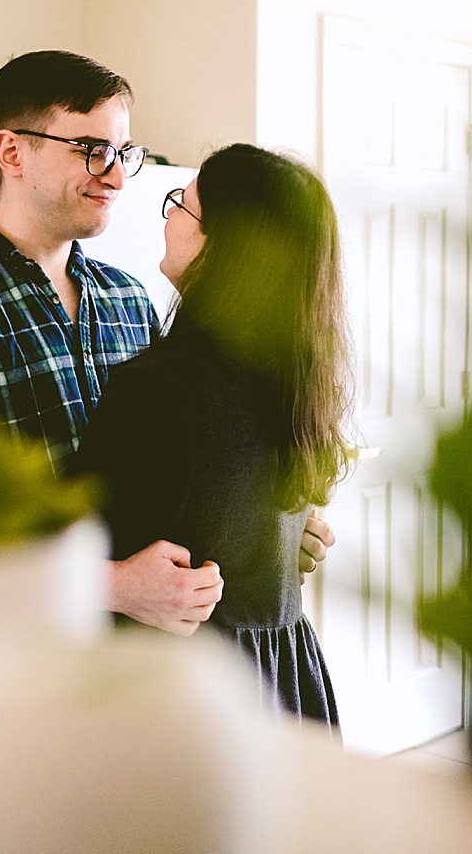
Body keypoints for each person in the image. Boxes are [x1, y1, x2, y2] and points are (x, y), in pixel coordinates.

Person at [0, 51, 333, 636]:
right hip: (21, 667)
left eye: (122, 153)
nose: (115, 175)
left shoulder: (130, 299)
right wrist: (113, 585)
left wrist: (268, 533)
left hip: (142, 671)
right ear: (12, 152)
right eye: (91, 150)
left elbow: (175, 483)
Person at [71, 144, 353, 729]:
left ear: (223, 249)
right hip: (284, 676)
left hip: (189, 692)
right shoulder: (296, 380)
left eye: (183, 205)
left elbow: (63, 559)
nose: (169, 215)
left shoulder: (159, 389)